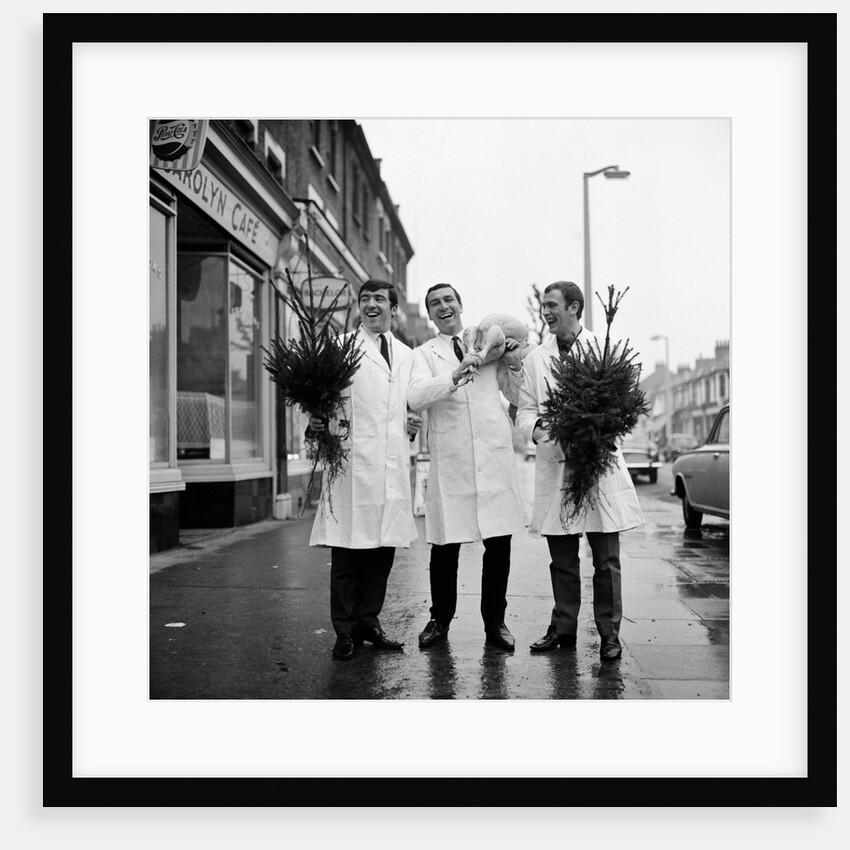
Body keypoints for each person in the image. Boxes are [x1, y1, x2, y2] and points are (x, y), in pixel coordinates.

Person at [516, 281, 644, 661]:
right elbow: (524, 410)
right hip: (557, 465)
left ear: (575, 307)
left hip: (598, 467)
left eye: (553, 306)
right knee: (562, 559)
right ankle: (563, 629)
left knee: (605, 559)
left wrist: (598, 431)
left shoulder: (606, 348)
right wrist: (538, 430)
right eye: (543, 307)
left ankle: (609, 634)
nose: (546, 313)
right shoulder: (536, 358)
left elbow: (626, 407)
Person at [407, 283, 528, 652]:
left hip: (492, 457)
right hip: (454, 460)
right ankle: (439, 620)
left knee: (498, 545)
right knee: (444, 546)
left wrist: (512, 362)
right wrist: (454, 375)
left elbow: (518, 397)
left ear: (461, 305)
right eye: (435, 304)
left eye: (448, 300)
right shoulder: (423, 354)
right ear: (429, 314)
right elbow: (415, 396)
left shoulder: (488, 341)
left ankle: (496, 623)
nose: (443, 307)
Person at [308, 279, 422, 660]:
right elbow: (319, 399)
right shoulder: (341, 348)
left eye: (379, 299)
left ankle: (369, 621)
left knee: (381, 553)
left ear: (393, 308)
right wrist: (317, 418)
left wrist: (409, 422)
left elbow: (404, 403)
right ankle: (344, 631)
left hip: (390, 466)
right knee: (347, 553)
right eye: (365, 299)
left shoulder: (406, 355)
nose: (371, 305)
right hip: (351, 465)